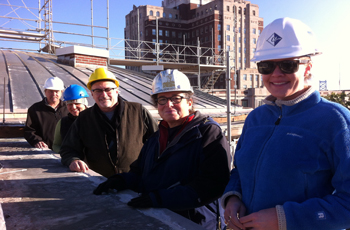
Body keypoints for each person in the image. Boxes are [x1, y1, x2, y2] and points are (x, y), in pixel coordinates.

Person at [221, 17, 350, 230]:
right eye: (267, 66)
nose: (276, 73)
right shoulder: (256, 118)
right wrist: (233, 198)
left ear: (307, 67)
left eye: (288, 64)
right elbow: (240, 171)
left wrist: (286, 218)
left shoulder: (336, 121)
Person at [93, 69, 231, 229]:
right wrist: (121, 180)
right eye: (162, 99)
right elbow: (140, 174)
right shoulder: (156, 138)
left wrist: (160, 198)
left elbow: (214, 183)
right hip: (160, 218)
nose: (169, 104)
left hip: (193, 222)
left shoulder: (207, 133)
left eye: (176, 98)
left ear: (190, 101)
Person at [59, 68, 158, 178]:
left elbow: (158, 142)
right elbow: (68, 149)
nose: (104, 95)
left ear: (116, 91)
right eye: (98, 91)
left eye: (108, 89)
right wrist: (73, 160)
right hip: (100, 182)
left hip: (136, 180)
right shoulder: (84, 118)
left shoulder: (138, 111)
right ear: (92, 94)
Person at [24, 76, 69, 150]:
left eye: (57, 91)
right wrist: (37, 141)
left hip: (67, 151)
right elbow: (29, 130)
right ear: (45, 91)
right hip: (45, 151)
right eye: (51, 91)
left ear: (62, 92)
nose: (54, 94)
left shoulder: (68, 108)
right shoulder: (35, 109)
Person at [52, 84, 89, 153]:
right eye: (70, 104)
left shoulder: (94, 120)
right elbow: (56, 145)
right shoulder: (62, 123)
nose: (73, 107)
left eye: (77, 103)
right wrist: (67, 153)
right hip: (71, 162)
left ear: (85, 103)